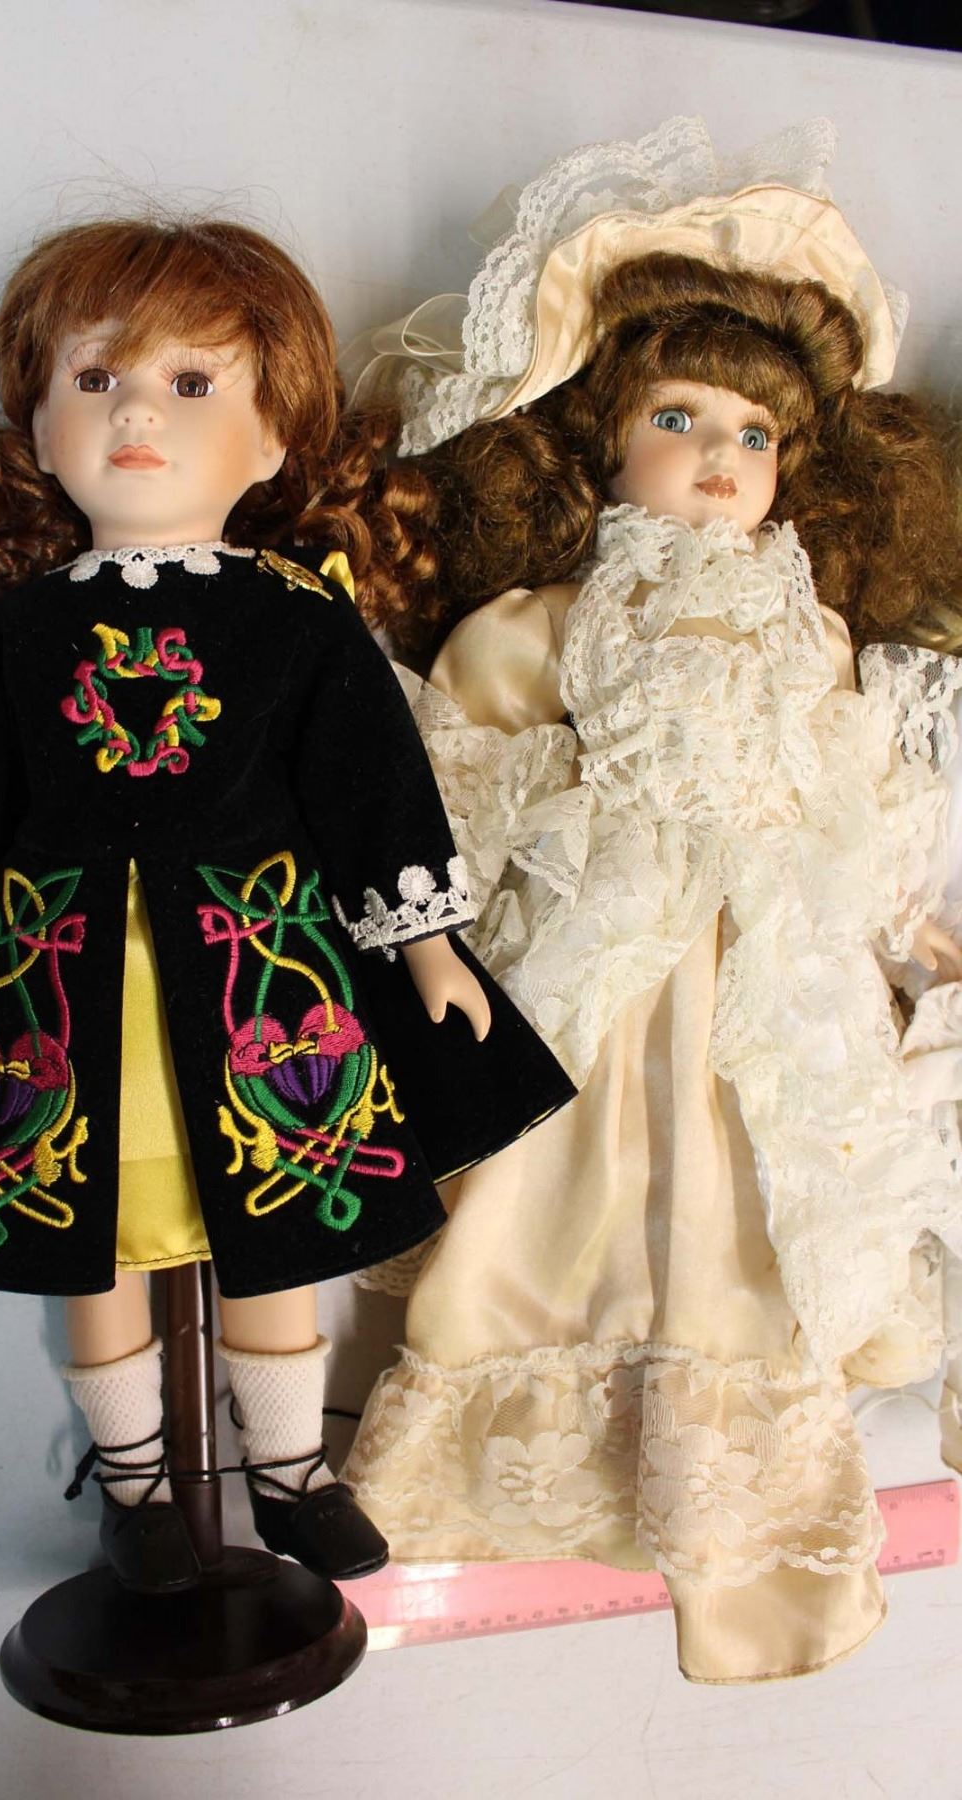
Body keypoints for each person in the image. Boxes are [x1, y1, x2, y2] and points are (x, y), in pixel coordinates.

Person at [0, 216, 572, 1595]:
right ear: (40, 431)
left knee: (283, 1216)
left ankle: (290, 1471)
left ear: (272, 443)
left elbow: (370, 788)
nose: (138, 414)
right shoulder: (30, 628)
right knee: (81, 1226)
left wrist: (428, 945)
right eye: (96, 379)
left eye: (193, 384)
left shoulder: (296, 618)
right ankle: (140, 1488)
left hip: (261, 971)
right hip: (58, 979)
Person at [344, 119, 962, 1681]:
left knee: (750, 1222)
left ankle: (737, 1541)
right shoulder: (549, 624)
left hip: (768, 975)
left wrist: (909, 927)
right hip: (604, 970)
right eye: (678, 419)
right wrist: (437, 940)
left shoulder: (816, 636)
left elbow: (851, 795)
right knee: (562, 1200)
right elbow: (456, 788)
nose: (718, 457)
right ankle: (483, 1489)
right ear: (604, 445)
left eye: (753, 434)